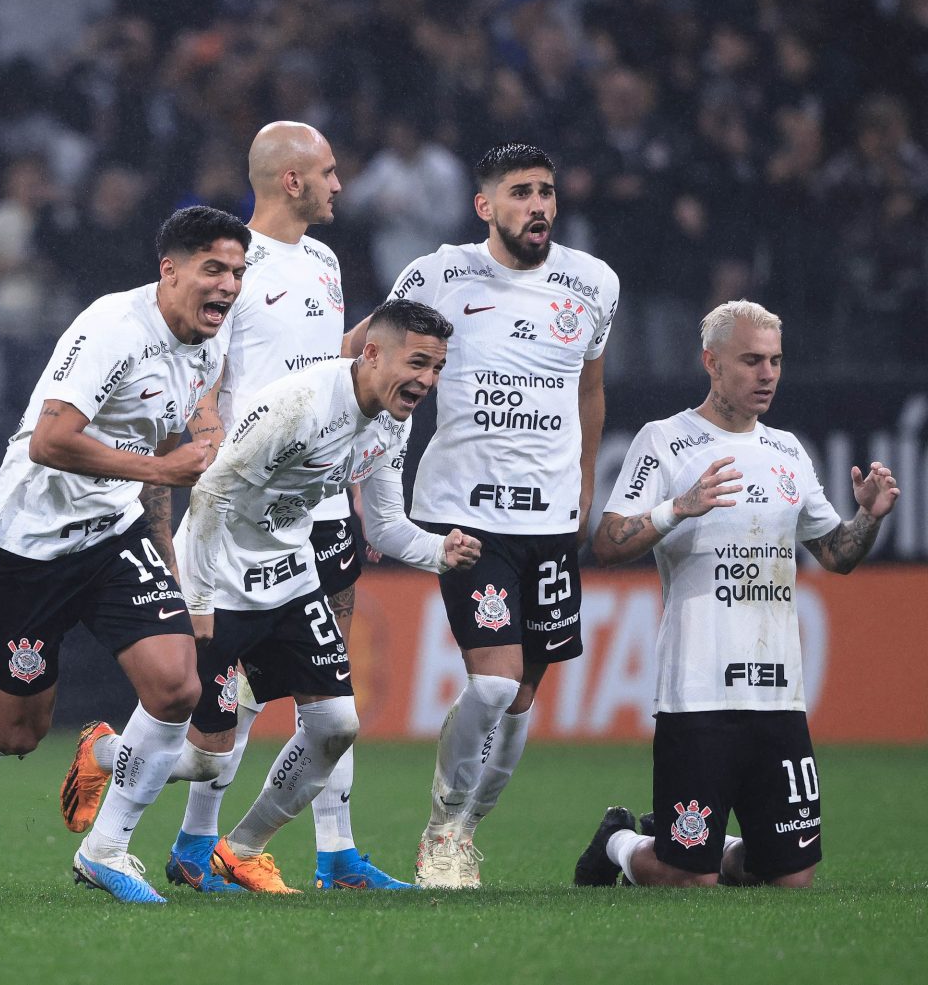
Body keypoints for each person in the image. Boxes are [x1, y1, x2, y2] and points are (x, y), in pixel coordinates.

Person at [89, 301, 478, 897]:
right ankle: (105, 780)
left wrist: (436, 552)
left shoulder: (392, 422)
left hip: (292, 579)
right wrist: (197, 602)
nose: (427, 380)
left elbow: (385, 522)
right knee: (206, 759)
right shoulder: (299, 405)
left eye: (437, 367)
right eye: (418, 362)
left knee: (336, 725)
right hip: (221, 580)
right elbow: (212, 495)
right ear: (371, 353)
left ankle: (238, 849)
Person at [0, 206, 247, 904]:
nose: (227, 285)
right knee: (19, 730)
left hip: (110, 530)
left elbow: (162, 453)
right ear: (171, 270)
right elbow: (50, 439)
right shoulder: (114, 327)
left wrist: (167, 560)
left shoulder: (207, 347)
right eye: (214, 268)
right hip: (25, 544)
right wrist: (160, 472)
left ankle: (106, 848)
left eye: (238, 272)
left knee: (175, 684)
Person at [342, 142, 618, 888]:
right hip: (466, 517)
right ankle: (439, 828)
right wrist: (324, 439)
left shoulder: (593, 282)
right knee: (493, 686)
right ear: (485, 206)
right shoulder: (439, 273)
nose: (540, 206)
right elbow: (363, 353)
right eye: (522, 192)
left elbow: (589, 391)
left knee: (523, 699)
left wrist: (586, 483)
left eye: (548, 191)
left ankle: (465, 829)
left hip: (552, 522)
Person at [154, 121, 410, 892]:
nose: (340, 184)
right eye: (328, 172)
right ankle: (197, 842)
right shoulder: (233, 264)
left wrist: (398, 315)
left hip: (320, 498)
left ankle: (336, 851)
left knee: (329, 679)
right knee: (224, 688)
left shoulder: (327, 260)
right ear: (291, 180)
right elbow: (200, 371)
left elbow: (327, 365)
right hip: (244, 510)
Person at [574, 301, 897, 890]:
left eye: (774, 360)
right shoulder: (666, 442)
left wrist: (868, 519)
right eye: (751, 360)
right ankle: (620, 841)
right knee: (688, 878)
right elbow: (607, 542)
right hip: (697, 694)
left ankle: (697, 842)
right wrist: (679, 508)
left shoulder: (788, 452)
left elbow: (835, 555)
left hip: (778, 695)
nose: (767, 373)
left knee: (789, 877)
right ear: (712, 363)